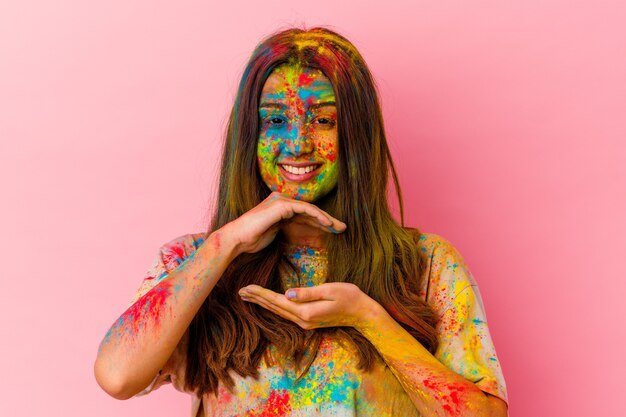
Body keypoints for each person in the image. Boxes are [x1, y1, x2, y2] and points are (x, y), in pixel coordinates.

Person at [94, 27, 509, 417]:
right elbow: (117, 377)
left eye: (323, 120)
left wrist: (370, 320)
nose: (298, 141)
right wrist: (225, 244)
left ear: (356, 136)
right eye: (275, 120)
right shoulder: (193, 261)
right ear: (249, 137)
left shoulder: (426, 263)